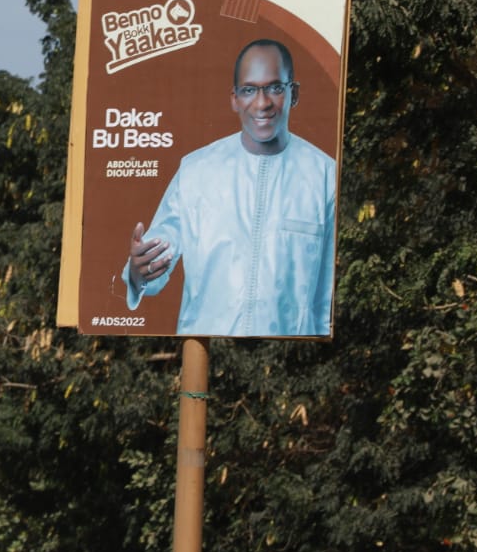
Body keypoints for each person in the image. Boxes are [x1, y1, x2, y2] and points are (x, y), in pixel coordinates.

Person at [122, 38, 336, 336]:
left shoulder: (324, 175)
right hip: (205, 353)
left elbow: (327, 295)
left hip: (292, 358)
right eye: (249, 90)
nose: (262, 103)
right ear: (234, 98)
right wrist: (138, 272)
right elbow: (155, 262)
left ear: (294, 93)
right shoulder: (196, 171)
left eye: (275, 87)